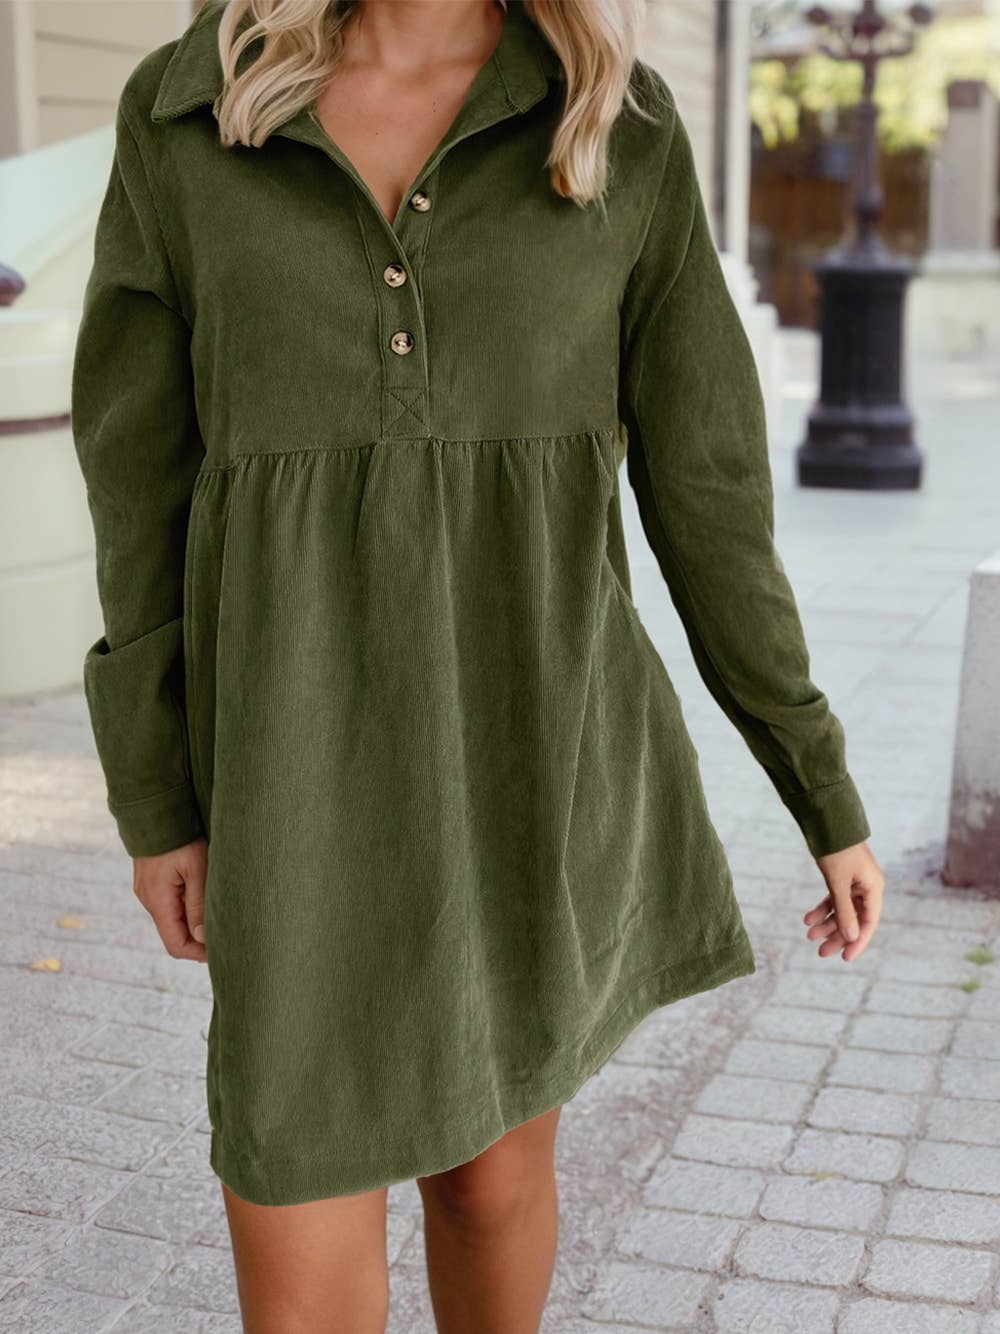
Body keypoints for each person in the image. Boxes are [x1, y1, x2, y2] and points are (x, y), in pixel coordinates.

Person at [71, 0, 886, 1328]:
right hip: (293, 769)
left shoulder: (611, 122)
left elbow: (710, 490)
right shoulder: (193, 109)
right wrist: (155, 794)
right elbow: (136, 479)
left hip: (535, 747)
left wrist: (817, 778)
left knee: (490, 1184)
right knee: (292, 1186)